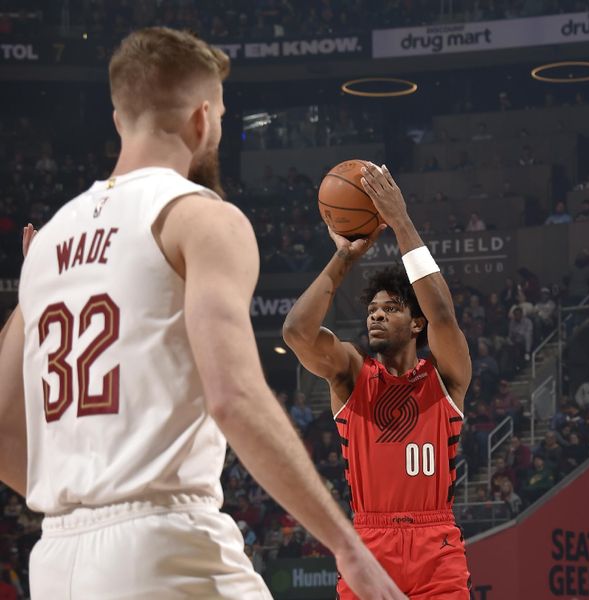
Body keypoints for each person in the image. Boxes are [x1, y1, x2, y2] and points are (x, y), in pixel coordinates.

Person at [0, 28, 403, 600]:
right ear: (201, 119)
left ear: (120, 120)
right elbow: (232, 397)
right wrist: (347, 545)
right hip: (163, 544)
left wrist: (82, 502)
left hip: (57, 558)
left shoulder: (44, 248)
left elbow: (2, 428)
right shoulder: (200, 218)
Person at [283, 162, 472, 598]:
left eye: (391, 309)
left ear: (417, 324)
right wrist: (345, 256)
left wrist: (400, 220)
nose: (377, 315)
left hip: (436, 544)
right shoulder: (352, 374)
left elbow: (443, 312)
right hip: (369, 542)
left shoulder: (446, 377)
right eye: (372, 311)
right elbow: (296, 332)